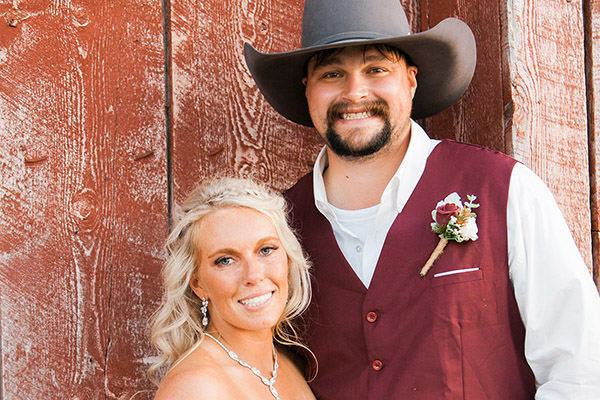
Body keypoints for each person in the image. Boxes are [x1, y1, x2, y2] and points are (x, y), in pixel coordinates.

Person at [244, 0, 600, 398]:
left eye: (376, 69)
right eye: (332, 73)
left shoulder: (503, 189)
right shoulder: (275, 229)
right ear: (308, 90)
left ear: (410, 81)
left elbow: (579, 367)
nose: (355, 91)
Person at [148, 177, 316, 400]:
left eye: (266, 250)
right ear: (198, 284)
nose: (254, 275)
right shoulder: (194, 387)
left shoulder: (293, 363)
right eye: (226, 260)